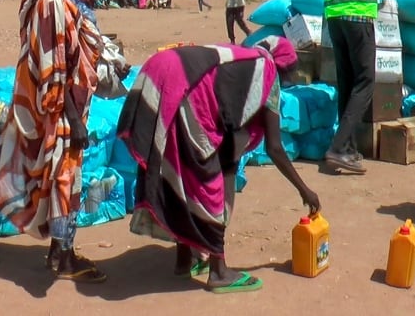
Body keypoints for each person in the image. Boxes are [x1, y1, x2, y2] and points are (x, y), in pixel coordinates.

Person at [117, 35, 321, 294]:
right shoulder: (266, 72)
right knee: (207, 182)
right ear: (284, 66)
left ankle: (184, 258)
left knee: (182, 173)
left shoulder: (243, 62)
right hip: (182, 88)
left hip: (163, 72)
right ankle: (219, 271)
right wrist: (304, 190)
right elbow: (275, 148)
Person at [0, 0, 119, 283]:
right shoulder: (55, 2)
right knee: (63, 179)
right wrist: (73, 118)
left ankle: (59, 251)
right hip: (57, 110)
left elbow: (78, 51)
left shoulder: (74, 0)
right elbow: (53, 66)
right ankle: (64, 259)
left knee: (64, 179)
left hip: (71, 107)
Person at [311, 0, 401, 173]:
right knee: (365, 81)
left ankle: (348, 147)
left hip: (335, 21)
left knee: (347, 81)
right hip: (359, 19)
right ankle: (338, 147)